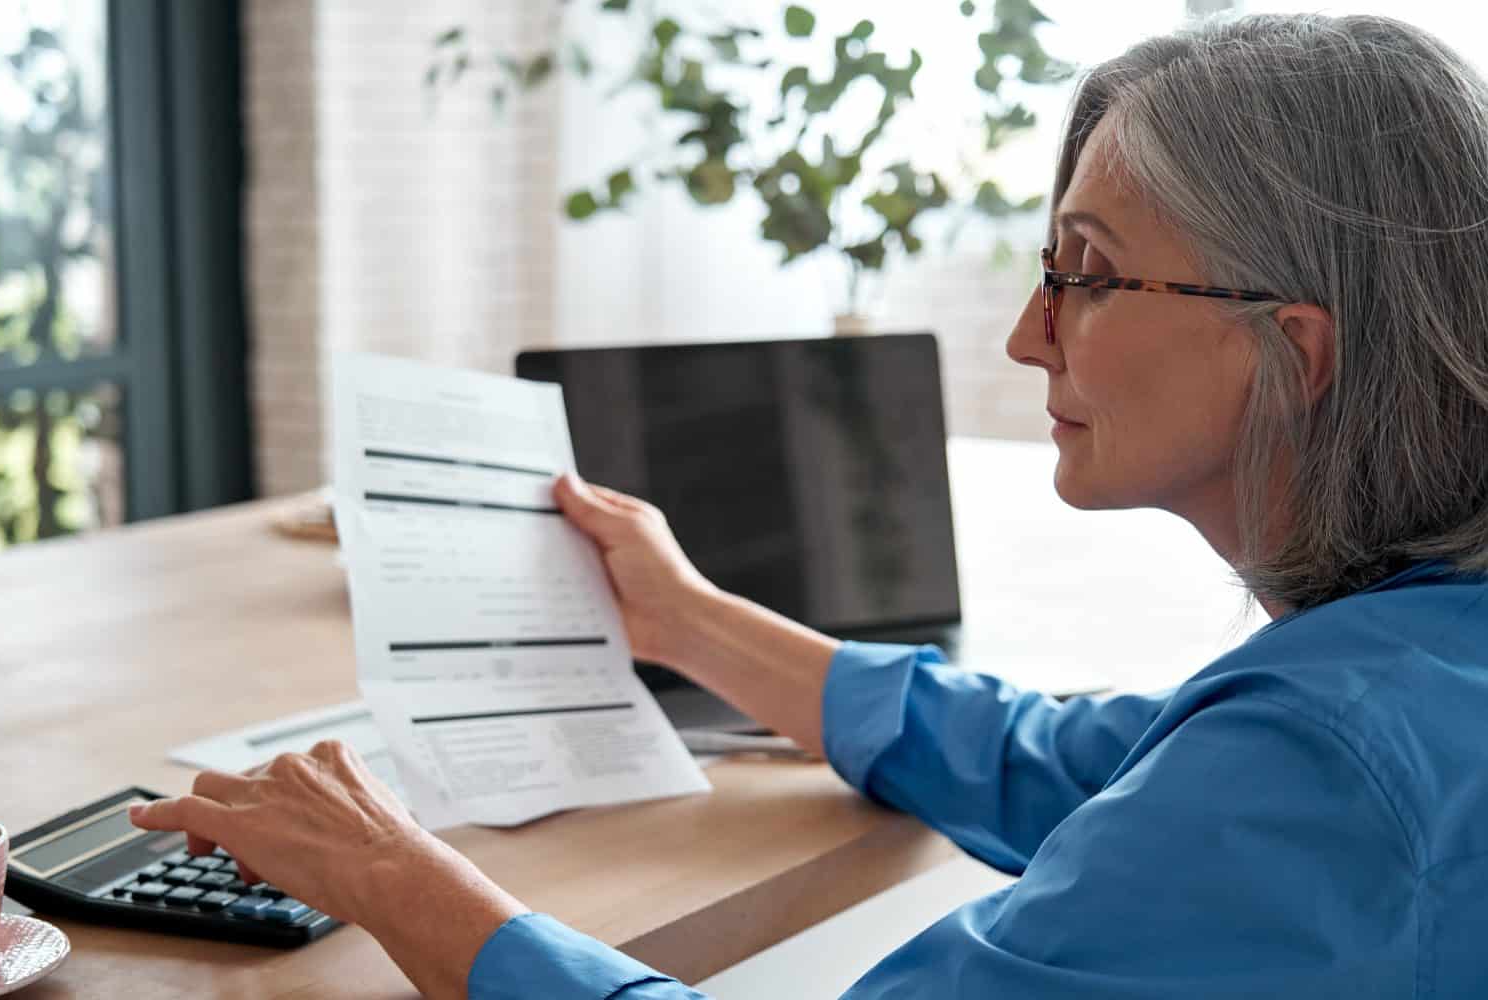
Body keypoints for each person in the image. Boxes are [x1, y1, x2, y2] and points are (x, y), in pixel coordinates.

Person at [130, 11, 1488, 999]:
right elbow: (1075, 765)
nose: (1029, 333)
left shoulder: (1324, 770)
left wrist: (397, 878)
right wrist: (698, 622)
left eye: (1089, 270)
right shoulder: (1410, 677)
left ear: (1291, 351)